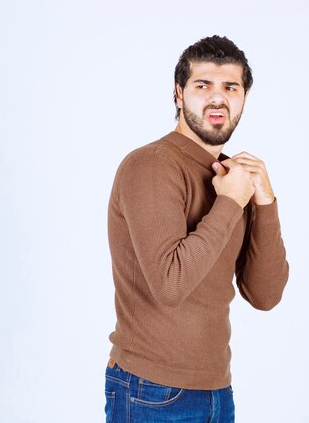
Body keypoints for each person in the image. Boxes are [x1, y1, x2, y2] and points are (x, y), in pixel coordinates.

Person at [104, 35, 289, 422]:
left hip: (218, 392)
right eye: (203, 85)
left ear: (244, 98)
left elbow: (265, 295)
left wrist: (266, 203)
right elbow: (170, 286)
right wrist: (229, 202)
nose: (217, 98)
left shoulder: (231, 178)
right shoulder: (151, 166)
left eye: (230, 87)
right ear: (178, 94)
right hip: (151, 392)